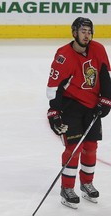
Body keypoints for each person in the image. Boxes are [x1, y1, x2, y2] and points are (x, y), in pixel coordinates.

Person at [46, 17, 111, 209]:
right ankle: (67, 188)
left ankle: (86, 183)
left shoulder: (98, 49)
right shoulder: (63, 56)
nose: (87, 34)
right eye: (83, 31)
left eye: (89, 31)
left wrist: (106, 100)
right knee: (73, 149)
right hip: (70, 106)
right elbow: (53, 87)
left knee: (90, 147)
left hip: (92, 106)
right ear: (74, 32)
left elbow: (105, 77)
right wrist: (54, 112)